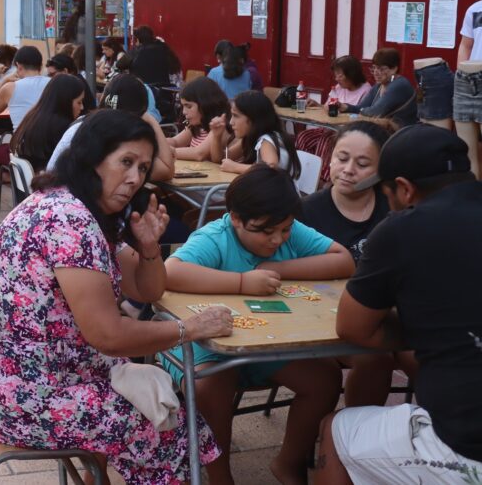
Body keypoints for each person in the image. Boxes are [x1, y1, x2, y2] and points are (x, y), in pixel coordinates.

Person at [0, 110, 227, 483]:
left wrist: (151, 248)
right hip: (30, 400)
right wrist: (188, 329)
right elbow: (107, 335)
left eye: (142, 166)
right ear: (91, 158)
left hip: (10, 383)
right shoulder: (71, 221)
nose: (136, 178)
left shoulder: (68, 204)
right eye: (125, 162)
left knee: (162, 403)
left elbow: (149, 289)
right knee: (173, 425)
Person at [164, 165, 353, 484]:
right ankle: (220, 476)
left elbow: (343, 259)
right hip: (204, 349)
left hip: (264, 345)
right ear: (235, 218)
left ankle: (288, 461)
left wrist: (278, 266)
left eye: (285, 230)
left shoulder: (282, 227)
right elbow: (171, 271)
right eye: (266, 232)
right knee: (212, 386)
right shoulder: (216, 237)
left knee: (324, 379)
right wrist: (240, 282)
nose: (277, 239)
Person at [316, 125, 482, 485]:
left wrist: (424, 328)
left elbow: (353, 328)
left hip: (465, 446)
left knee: (336, 427)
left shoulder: (402, 230)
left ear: (404, 188)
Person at [299, 121, 400, 409]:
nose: (348, 169)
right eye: (342, 159)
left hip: (386, 314)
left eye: (363, 163)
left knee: (424, 353)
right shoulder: (307, 212)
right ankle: (349, 437)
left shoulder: (392, 207)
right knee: (376, 359)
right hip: (327, 319)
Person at [47, 73, 175, 182]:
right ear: (139, 113)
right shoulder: (116, 136)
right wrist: (151, 119)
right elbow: (167, 170)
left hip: (50, 200)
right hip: (73, 206)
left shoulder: (84, 121)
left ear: (103, 98)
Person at [8, 74, 87, 173]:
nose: (82, 107)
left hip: (29, 181)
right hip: (46, 182)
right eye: (79, 102)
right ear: (65, 101)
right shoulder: (61, 127)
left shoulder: (34, 115)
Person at [214, 90, 301, 177]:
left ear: (253, 118)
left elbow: (270, 167)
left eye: (236, 116)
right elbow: (222, 159)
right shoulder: (251, 137)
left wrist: (235, 167)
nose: (231, 122)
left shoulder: (266, 140)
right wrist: (216, 136)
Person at [339, 47, 418, 126]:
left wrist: (361, 110)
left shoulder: (399, 85)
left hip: (402, 132)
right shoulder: (379, 86)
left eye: (381, 69)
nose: (376, 73)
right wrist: (345, 107)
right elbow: (361, 107)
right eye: (374, 68)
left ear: (394, 69)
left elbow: (375, 112)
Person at [168, 76, 231, 161]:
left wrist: (166, 151)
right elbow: (175, 141)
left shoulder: (218, 127)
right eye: (183, 106)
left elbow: (199, 153)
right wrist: (157, 143)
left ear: (206, 105)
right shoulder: (195, 125)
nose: (184, 112)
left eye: (189, 106)